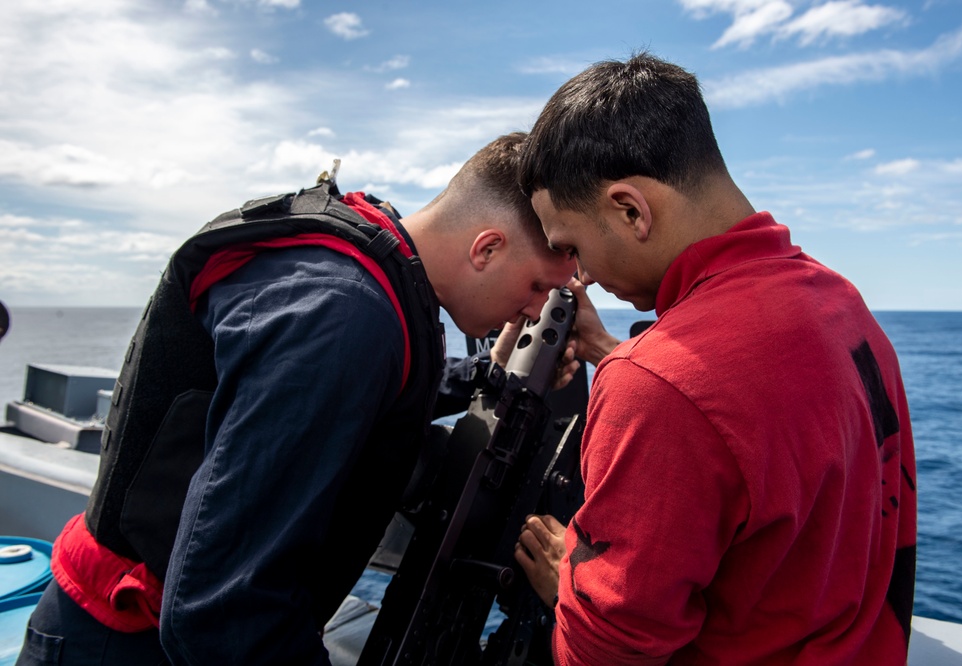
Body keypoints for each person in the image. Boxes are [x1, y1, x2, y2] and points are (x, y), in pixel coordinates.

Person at [17, 132, 576, 665]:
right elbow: (223, 606)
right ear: (487, 248)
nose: (533, 312)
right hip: (125, 642)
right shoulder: (342, 313)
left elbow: (358, 395)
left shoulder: (369, 265)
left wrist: (487, 372)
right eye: (535, 288)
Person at [513, 53, 916, 665]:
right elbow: (745, 427)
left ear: (630, 209)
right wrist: (608, 352)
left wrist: (569, 584)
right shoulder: (842, 308)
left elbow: (606, 656)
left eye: (572, 247)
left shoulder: (657, 386)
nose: (585, 277)